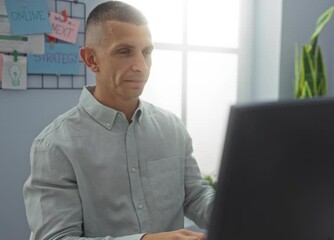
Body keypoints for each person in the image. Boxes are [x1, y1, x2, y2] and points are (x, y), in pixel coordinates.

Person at [23, 1, 215, 240]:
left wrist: (244, 210)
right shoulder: (54, 146)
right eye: (124, 51)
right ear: (91, 59)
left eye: (146, 52)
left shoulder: (172, 128)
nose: (141, 66)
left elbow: (195, 196)